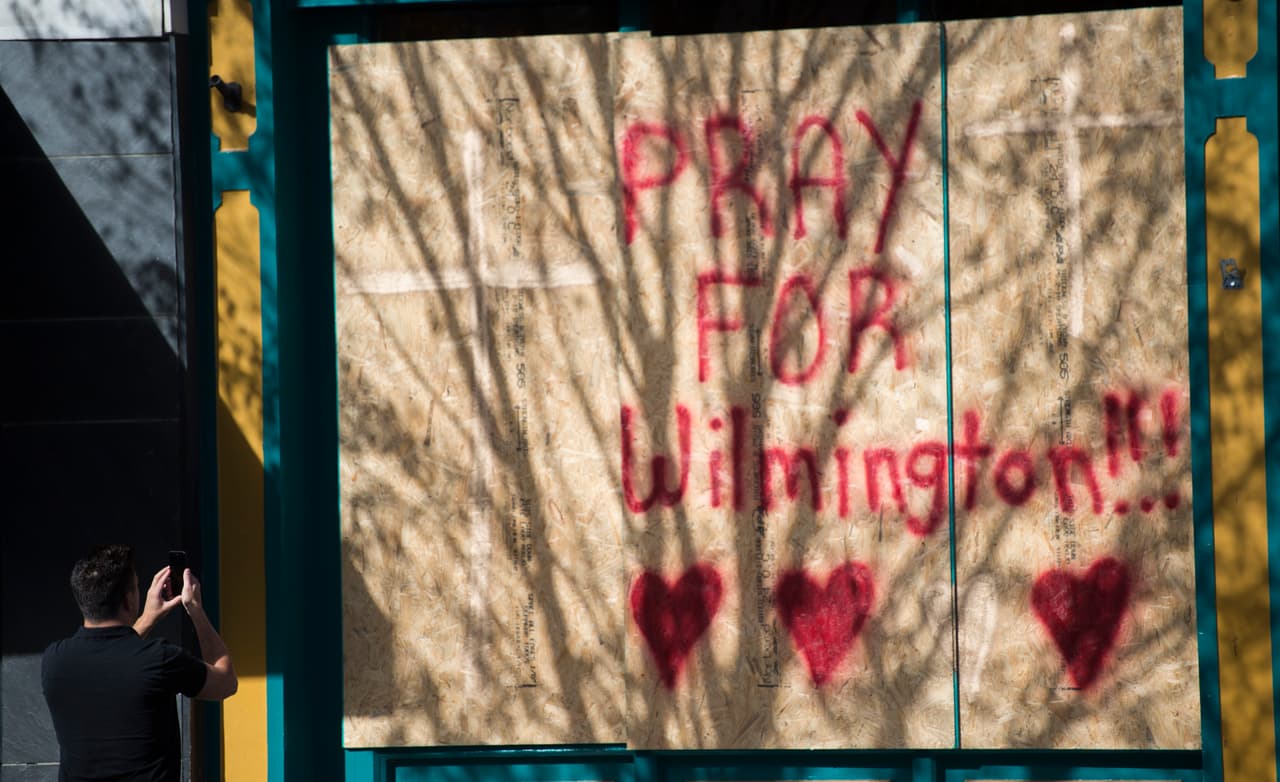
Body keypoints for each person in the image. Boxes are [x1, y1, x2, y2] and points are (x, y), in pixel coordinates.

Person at [41, 544, 238, 781]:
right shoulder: (159, 659)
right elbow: (226, 682)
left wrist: (147, 619)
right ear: (128, 600)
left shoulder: (55, 660)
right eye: (136, 587)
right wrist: (195, 608)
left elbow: (113, 656)